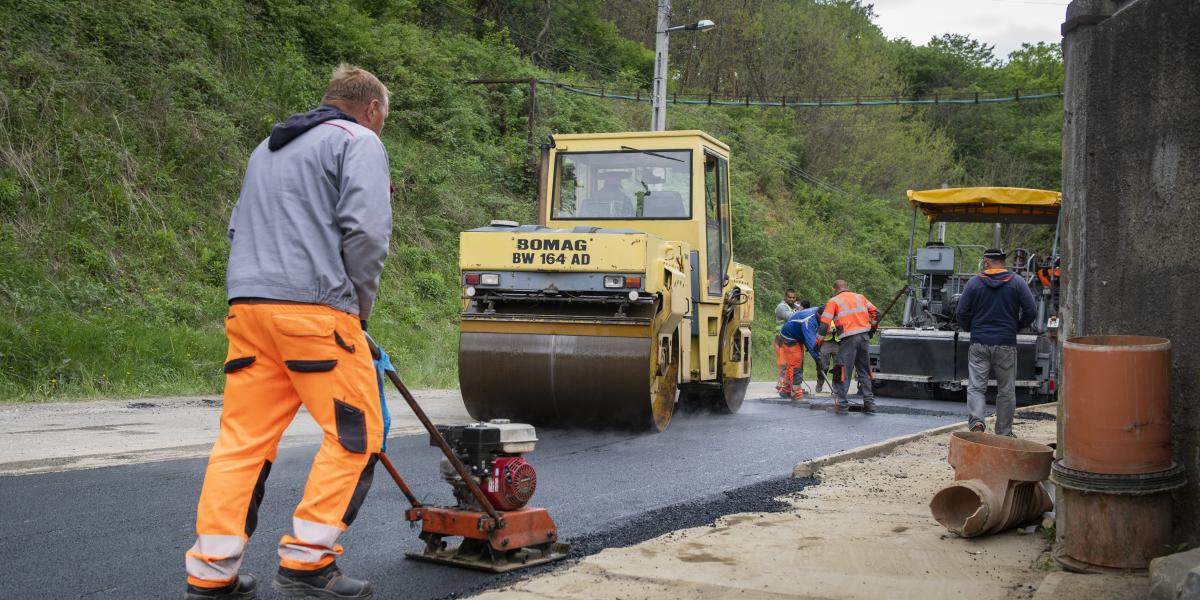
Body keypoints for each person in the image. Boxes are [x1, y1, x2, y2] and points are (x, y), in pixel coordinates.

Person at [184, 64, 393, 600]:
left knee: (241, 442)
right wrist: (357, 310)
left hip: (248, 312)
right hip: (317, 314)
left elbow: (236, 226)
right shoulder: (357, 140)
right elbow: (366, 232)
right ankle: (307, 562)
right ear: (371, 109)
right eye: (382, 120)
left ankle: (212, 573)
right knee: (356, 436)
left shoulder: (268, 147)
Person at [956, 249, 1037, 436]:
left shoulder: (974, 283)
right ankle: (1004, 432)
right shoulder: (1017, 282)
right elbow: (1031, 310)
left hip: (979, 343)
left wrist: (971, 328)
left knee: (976, 386)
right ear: (1002, 262)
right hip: (1006, 343)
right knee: (1006, 390)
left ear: (986, 262)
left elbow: (961, 312)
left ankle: (977, 423)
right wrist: (1016, 327)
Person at [817, 280, 878, 414]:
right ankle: (870, 403)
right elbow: (876, 314)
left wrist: (818, 343)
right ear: (847, 287)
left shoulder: (833, 301)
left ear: (834, 288)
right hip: (864, 338)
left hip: (849, 339)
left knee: (841, 371)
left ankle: (842, 405)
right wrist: (872, 328)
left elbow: (824, 325)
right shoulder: (860, 297)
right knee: (864, 370)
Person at [779, 302, 823, 401]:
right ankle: (796, 393)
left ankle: (785, 389)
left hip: (797, 336)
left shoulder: (819, 310)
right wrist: (818, 359)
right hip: (789, 337)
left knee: (793, 363)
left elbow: (810, 339)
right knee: (796, 363)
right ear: (820, 315)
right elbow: (811, 344)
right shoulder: (809, 320)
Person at [774, 290, 802, 398]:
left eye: (793, 297)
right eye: (789, 297)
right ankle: (781, 385)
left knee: (789, 364)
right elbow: (791, 317)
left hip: (788, 339)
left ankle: (786, 385)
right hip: (781, 340)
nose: (792, 299)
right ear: (785, 297)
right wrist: (799, 310)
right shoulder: (781, 307)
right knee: (784, 364)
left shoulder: (792, 306)